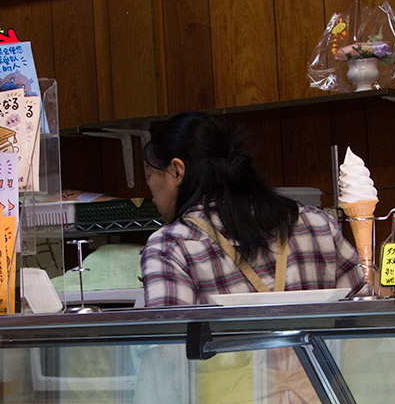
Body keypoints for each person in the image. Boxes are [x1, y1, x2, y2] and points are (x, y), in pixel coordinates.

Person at [140, 111, 365, 307]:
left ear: (177, 171)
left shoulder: (171, 248)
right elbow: (363, 317)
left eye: (150, 175)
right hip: (317, 359)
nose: (150, 187)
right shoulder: (317, 225)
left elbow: (166, 351)